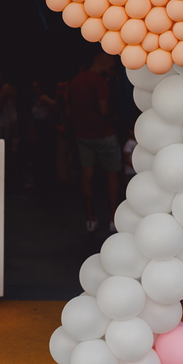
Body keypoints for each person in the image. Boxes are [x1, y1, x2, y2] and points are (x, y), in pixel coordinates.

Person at [68, 52, 122, 232]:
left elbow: (69, 110)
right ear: (106, 63)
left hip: (83, 135)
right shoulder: (99, 82)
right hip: (103, 134)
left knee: (87, 173)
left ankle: (90, 218)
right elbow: (104, 109)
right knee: (112, 174)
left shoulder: (76, 81)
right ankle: (114, 218)